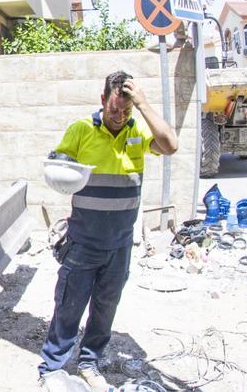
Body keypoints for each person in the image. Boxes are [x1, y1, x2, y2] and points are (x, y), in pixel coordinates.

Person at [38, 71, 178, 390]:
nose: (119, 117)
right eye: (115, 109)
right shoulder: (81, 130)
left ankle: (89, 362)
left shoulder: (138, 131)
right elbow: (57, 163)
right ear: (103, 100)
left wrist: (143, 105)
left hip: (120, 245)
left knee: (105, 309)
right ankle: (52, 367)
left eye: (126, 111)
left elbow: (170, 145)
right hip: (83, 242)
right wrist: (60, 168)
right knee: (69, 307)